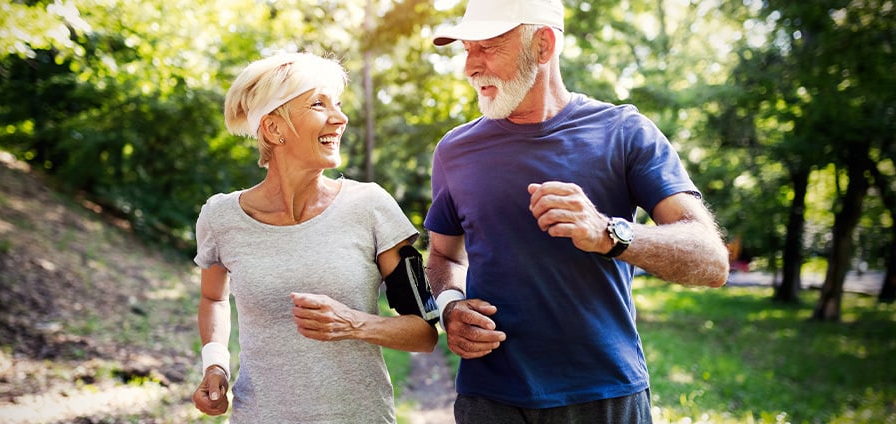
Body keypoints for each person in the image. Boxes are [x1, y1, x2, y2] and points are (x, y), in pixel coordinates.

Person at [424, 0, 730, 422]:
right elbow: (444, 255)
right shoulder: (454, 151)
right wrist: (450, 305)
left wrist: (609, 233)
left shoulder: (625, 132)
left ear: (543, 45)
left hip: (604, 395)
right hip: (489, 399)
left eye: (488, 48)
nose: (470, 67)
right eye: (467, 49)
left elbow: (711, 259)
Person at [191, 52, 438, 423]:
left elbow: (424, 331)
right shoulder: (221, 217)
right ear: (274, 129)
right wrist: (216, 366)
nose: (340, 119)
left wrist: (353, 324)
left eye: (338, 104)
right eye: (319, 104)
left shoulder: (371, 206)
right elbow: (213, 297)